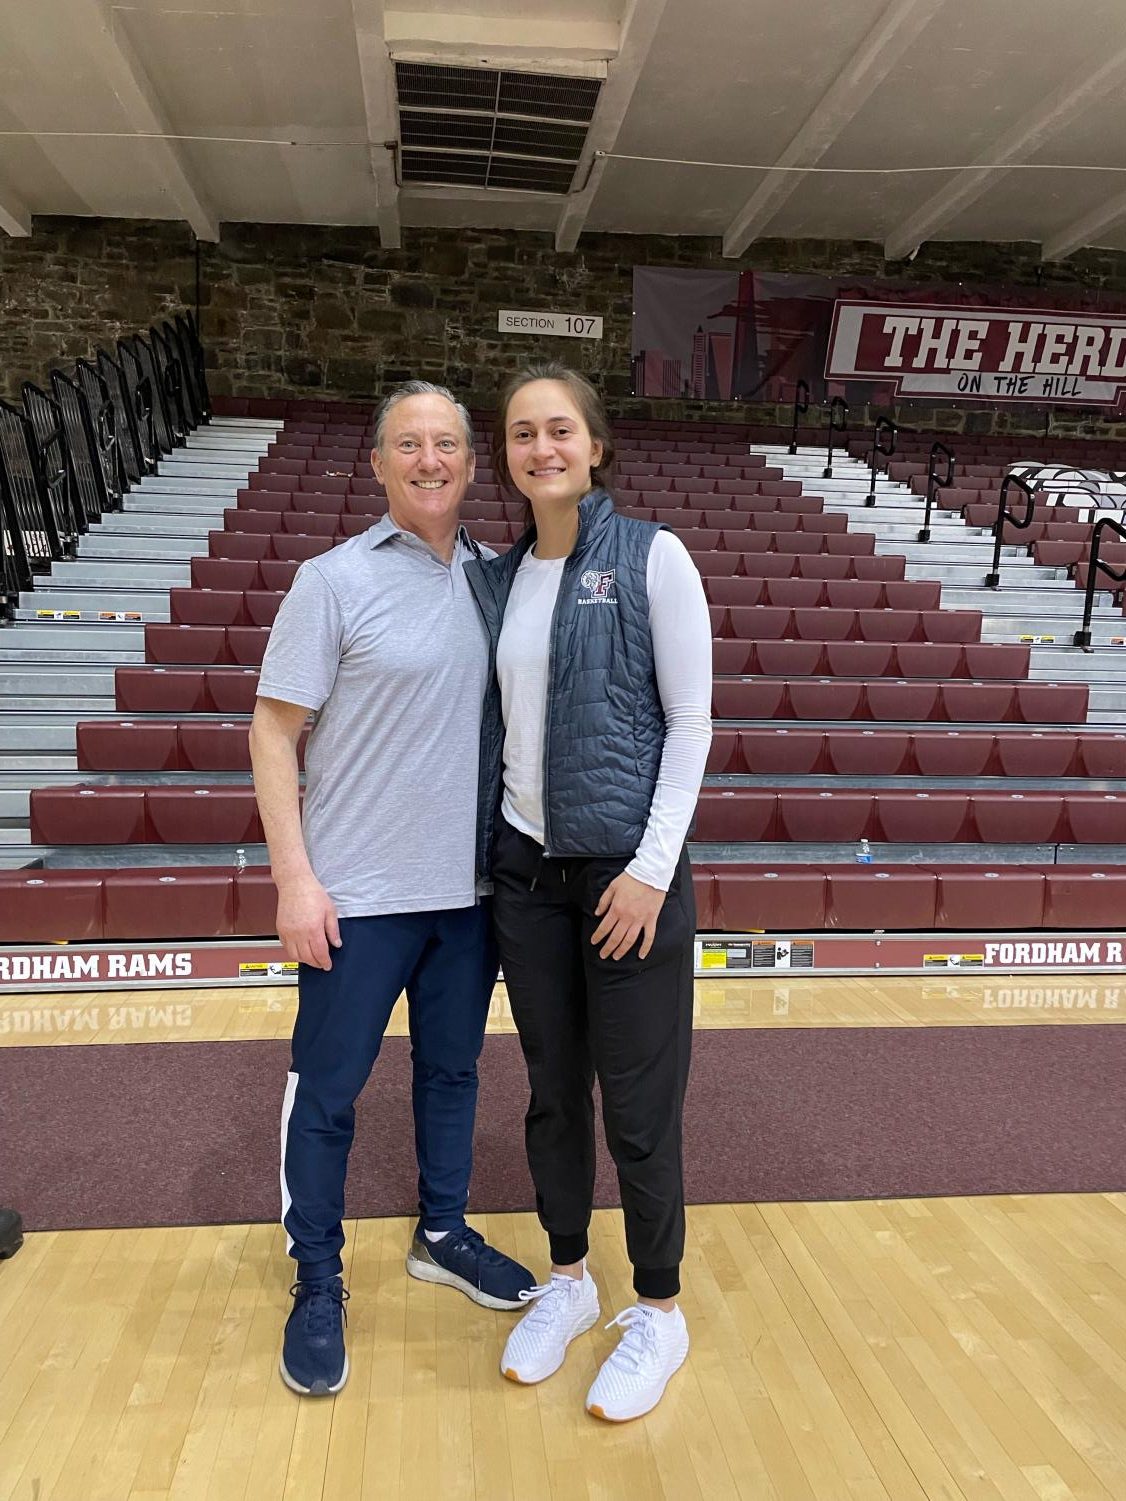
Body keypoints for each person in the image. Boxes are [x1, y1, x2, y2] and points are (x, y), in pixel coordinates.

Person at [250, 380, 534, 1399]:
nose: (429, 460)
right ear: (376, 464)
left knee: (451, 1075)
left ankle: (442, 1232)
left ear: (470, 461)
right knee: (327, 1094)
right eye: (408, 444)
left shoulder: (501, 579)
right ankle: (317, 1278)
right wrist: (294, 879)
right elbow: (274, 732)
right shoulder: (330, 582)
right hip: (355, 896)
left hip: (466, 898)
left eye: (448, 443)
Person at [464, 363, 713, 1421]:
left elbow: (690, 723)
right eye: (521, 434)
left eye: (558, 429)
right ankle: (568, 1279)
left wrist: (651, 870)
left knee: (641, 1111)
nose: (540, 448)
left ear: (595, 445)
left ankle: (658, 1307)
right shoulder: (499, 577)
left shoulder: (653, 555)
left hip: (628, 884)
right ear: (508, 456)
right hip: (528, 881)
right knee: (554, 1094)